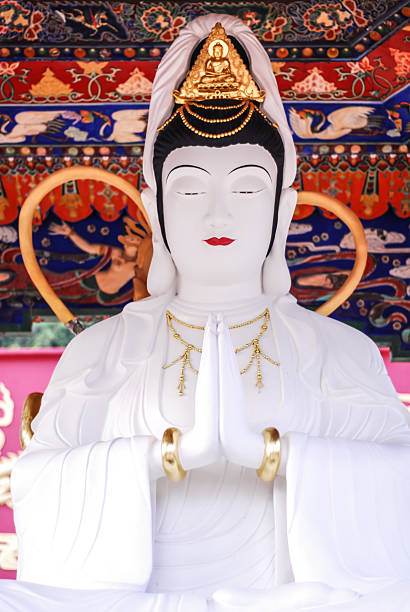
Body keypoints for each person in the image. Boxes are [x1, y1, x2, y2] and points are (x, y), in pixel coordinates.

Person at [2, 14, 410, 612]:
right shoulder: (101, 352)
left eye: (246, 189)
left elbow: (398, 484)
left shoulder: (336, 350)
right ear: (155, 205)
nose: (218, 216)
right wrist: (166, 457)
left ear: (282, 205)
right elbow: (39, 487)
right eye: (191, 189)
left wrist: (272, 454)